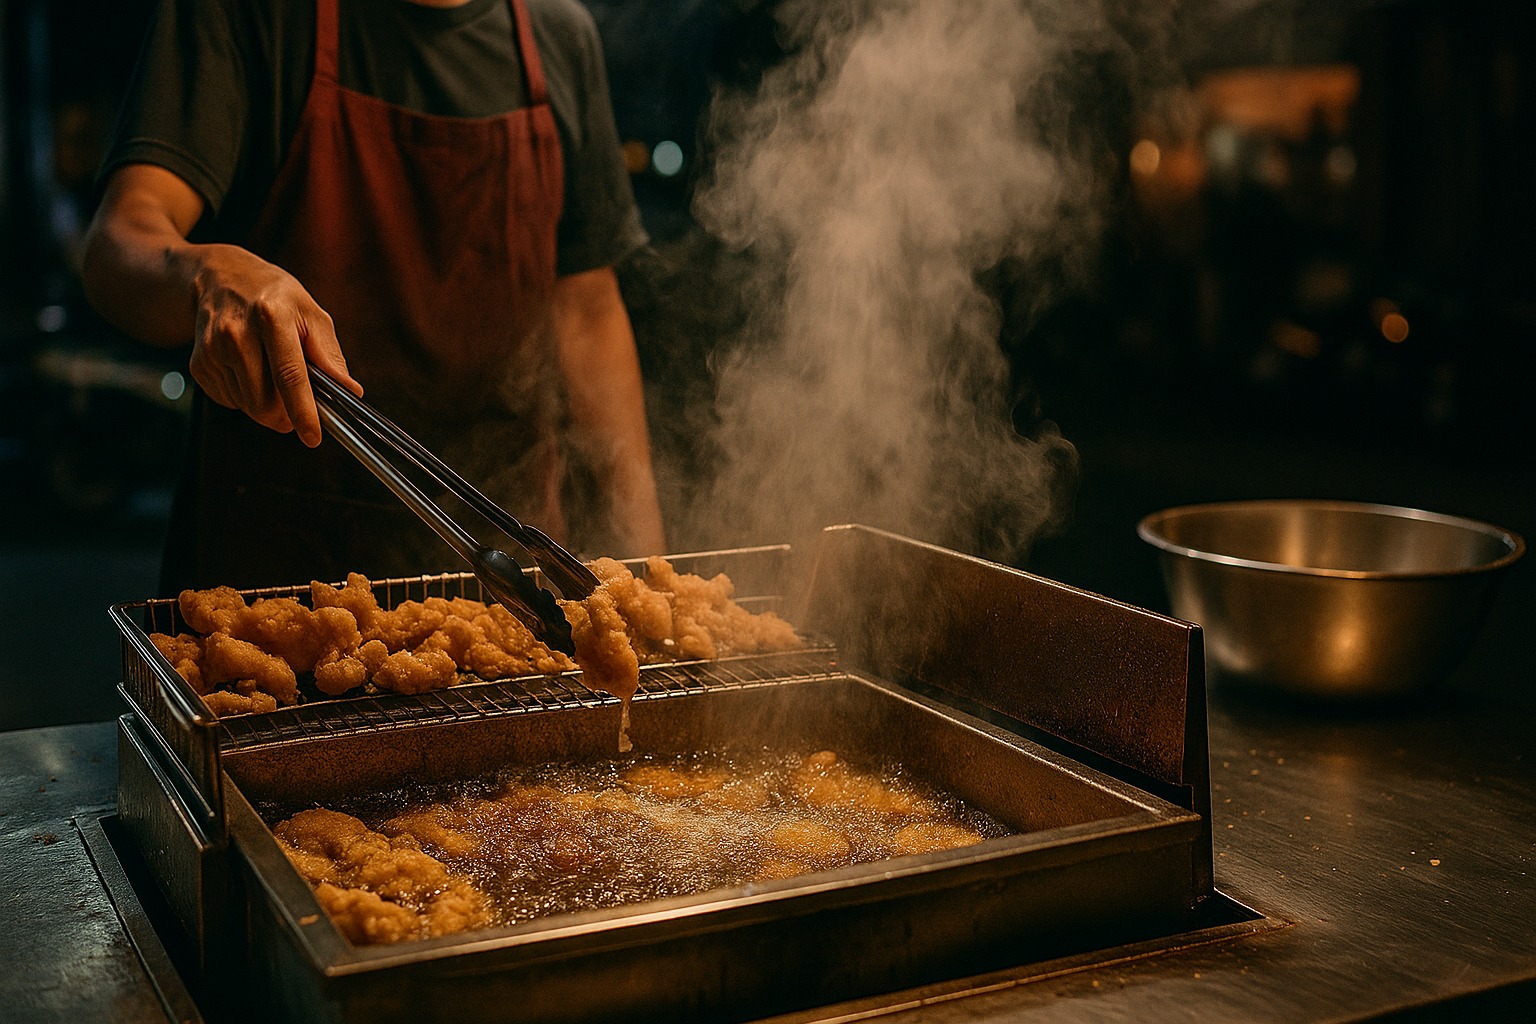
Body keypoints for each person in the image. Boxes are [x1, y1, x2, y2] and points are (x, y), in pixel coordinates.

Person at [81, 0, 666, 595]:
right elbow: (119, 241)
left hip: (512, 588)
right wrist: (205, 273)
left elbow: (588, 311)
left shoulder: (558, 34)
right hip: (280, 585)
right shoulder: (244, 15)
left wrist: (648, 576)